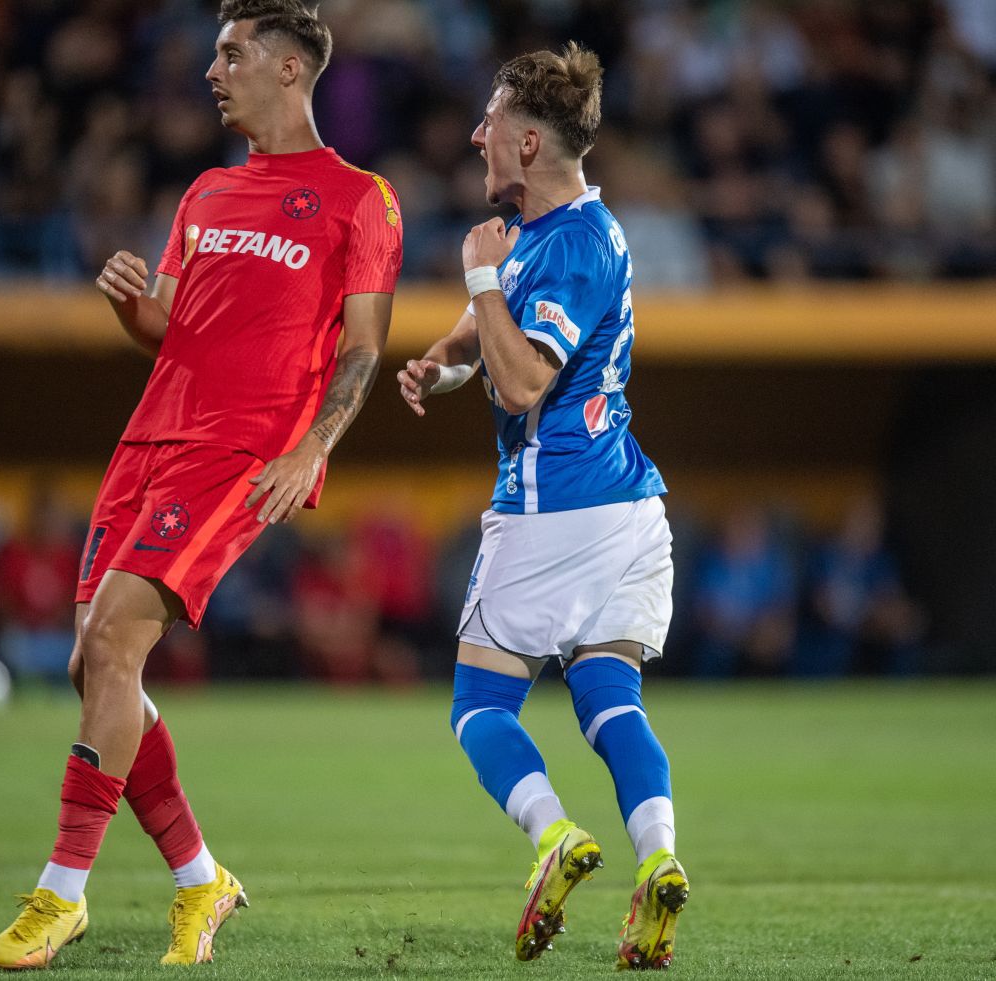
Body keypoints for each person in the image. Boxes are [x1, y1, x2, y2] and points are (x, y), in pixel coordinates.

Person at [0, 0, 402, 969]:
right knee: (94, 664)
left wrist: (311, 449)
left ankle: (61, 895)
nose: (212, 71)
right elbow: (173, 333)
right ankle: (200, 879)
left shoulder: (358, 197)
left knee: (119, 638)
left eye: (231, 53)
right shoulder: (206, 195)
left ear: (291, 69)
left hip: (242, 453)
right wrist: (136, 307)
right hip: (149, 441)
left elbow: (364, 348)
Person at [398, 43, 688, 970]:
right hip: (628, 507)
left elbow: (522, 383)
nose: (476, 134)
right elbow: (488, 346)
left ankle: (555, 835)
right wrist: (442, 366)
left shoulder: (556, 248)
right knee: (609, 693)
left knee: (479, 704)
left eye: (490, 122)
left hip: (548, 510)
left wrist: (480, 284)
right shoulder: (563, 230)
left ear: (527, 143)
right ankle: (661, 860)